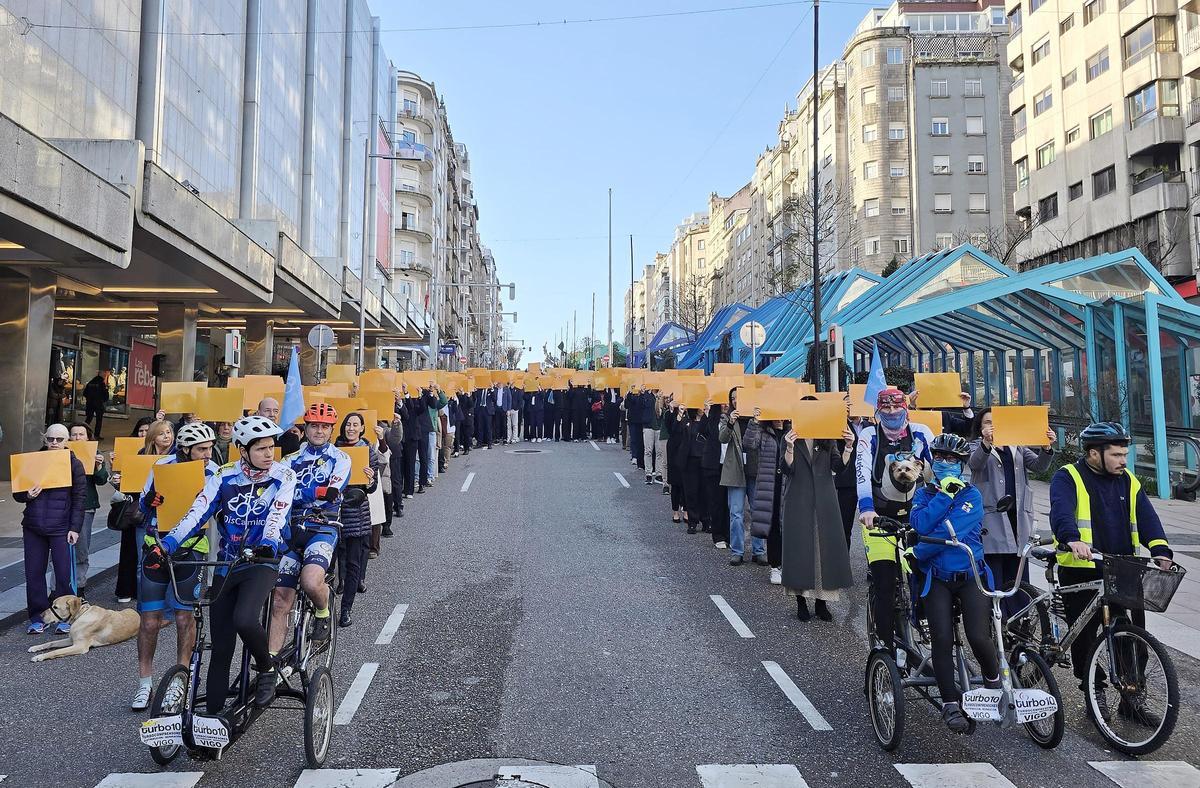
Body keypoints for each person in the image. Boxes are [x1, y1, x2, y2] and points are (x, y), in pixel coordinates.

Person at [157, 415, 294, 712]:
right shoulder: (223, 475)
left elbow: (277, 515)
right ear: (243, 450)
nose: (269, 454)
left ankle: (267, 668)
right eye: (260, 449)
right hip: (226, 563)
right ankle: (212, 716)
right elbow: (197, 512)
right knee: (221, 646)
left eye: (271, 447)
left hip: (262, 561)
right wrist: (168, 543)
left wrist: (269, 543)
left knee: (244, 618)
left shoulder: (283, 475)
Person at [1049, 422, 1173, 717]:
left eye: (1124, 454)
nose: (1123, 460)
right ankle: (1094, 689)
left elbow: (1147, 518)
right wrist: (1071, 539)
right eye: (1116, 455)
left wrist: (1160, 549)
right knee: (1084, 636)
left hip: (1123, 568)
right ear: (1094, 453)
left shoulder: (1129, 481)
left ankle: (1132, 696)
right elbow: (1061, 512)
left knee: (1132, 634)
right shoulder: (1068, 476)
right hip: (1082, 569)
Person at [910, 432, 1002, 733]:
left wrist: (920, 550)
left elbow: (949, 534)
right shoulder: (923, 494)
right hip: (937, 579)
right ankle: (950, 703)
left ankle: (993, 685)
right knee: (941, 639)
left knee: (979, 637)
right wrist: (944, 496)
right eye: (939, 457)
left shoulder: (972, 496)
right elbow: (920, 524)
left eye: (951, 459)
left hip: (970, 576)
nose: (944, 462)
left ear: (962, 464)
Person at [130, 423, 221, 711]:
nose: (208, 454)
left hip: (191, 550)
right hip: (155, 547)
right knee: (149, 621)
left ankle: (180, 682)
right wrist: (149, 501)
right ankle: (145, 684)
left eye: (210, 448)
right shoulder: (162, 466)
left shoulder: (213, 472)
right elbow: (140, 509)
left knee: (184, 619)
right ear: (185, 449)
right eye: (202, 449)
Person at [856, 387, 935, 652]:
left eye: (896, 407)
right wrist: (867, 508)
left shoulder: (921, 433)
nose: (891, 412)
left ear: (905, 408)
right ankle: (884, 648)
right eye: (886, 408)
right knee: (885, 583)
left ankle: (924, 622)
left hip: (916, 516)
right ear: (878, 410)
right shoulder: (869, 435)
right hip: (878, 517)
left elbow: (938, 468)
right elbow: (862, 472)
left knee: (924, 573)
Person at [271, 403, 350, 653]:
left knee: (310, 582)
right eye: (314, 426)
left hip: (322, 528)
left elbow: (331, 493)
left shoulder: (341, 459)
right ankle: (270, 662)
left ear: (331, 430)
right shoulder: (289, 460)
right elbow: (280, 494)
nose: (319, 431)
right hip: (291, 529)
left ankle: (323, 612)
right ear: (305, 428)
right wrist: (315, 492)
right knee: (279, 599)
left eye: (325, 427)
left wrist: (301, 493)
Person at [968, 408, 1056, 617]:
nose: (992, 426)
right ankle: (996, 620)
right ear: (980, 427)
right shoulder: (976, 446)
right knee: (994, 573)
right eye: (987, 422)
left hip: (1018, 517)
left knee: (1018, 573)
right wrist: (986, 443)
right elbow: (974, 464)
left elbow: (1039, 467)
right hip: (992, 518)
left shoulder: (1017, 446)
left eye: (995, 421)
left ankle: (1019, 620)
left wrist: (1046, 448)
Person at [781, 403, 853, 621]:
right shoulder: (790, 436)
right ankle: (800, 601)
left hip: (824, 498)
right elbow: (787, 469)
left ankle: (822, 602)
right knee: (799, 550)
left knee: (823, 550)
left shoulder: (827, 437)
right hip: (798, 497)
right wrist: (790, 448)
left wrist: (849, 447)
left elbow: (838, 467)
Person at [18, 424, 86, 634]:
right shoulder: (32, 461)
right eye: (50, 439)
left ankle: (67, 617)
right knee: (34, 573)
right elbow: (17, 493)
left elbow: (79, 498)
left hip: (61, 528)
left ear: (67, 441)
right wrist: (27, 495)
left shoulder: (74, 464)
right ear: (44, 439)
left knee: (64, 575)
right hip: (33, 527)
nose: (54, 443)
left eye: (59, 439)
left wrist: (75, 528)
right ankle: (38, 617)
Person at [110, 419, 175, 603]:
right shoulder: (140, 455)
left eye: (169, 432)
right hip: (145, 515)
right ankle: (144, 603)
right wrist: (119, 481)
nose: (167, 436)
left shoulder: (178, 456)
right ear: (153, 437)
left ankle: (167, 602)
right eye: (161, 433)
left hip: (170, 514)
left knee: (169, 559)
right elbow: (130, 488)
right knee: (143, 560)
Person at [334, 413, 381, 627]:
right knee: (330, 562)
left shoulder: (368, 451)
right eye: (348, 424)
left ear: (362, 428)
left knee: (353, 564)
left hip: (356, 512)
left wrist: (370, 480)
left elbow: (372, 487)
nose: (351, 428)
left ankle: (346, 609)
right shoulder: (333, 450)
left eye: (355, 425)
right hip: (334, 511)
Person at [50, 422, 108, 593]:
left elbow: (101, 480)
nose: (77, 437)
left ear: (88, 437)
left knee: (81, 550)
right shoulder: (57, 452)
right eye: (73, 434)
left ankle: (79, 588)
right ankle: (55, 590)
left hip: (85, 506)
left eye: (81, 434)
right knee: (58, 550)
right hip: (60, 507)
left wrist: (98, 466)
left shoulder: (94, 453)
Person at [744, 415, 789, 584]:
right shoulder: (763, 432)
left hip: (788, 484)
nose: (779, 419)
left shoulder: (792, 431)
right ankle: (775, 566)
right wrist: (754, 421)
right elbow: (749, 443)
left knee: (788, 526)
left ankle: (788, 565)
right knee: (773, 526)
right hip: (769, 485)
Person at [700, 401, 730, 549]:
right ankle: (718, 535)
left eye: (727, 402)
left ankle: (728, 534)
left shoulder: (734, 418)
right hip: (714, 465)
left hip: (730, 465)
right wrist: (706, 412)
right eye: (722, 402)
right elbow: (703, 430)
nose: (725, 405)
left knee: (729, 502)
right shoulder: (712, 419)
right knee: (716, 501)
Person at [664, 398, 689, 523]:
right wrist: (677, 411)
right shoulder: (670, 413)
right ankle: (675, 511)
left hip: (687, 448)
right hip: (674, 449)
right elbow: (671, 429)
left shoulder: (690, 411)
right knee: (675, 483)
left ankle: (686, 510)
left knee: (686, 482)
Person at [83, 373, 109, 439]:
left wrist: (89, 398)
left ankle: (82, 431)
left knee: (88, 419)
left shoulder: (90, 383)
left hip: (90, 404)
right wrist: (103, 400)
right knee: (99, 420)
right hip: (98, 404)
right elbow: (105, 394)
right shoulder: (101, 384)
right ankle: (97, 435)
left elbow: (85, 393)